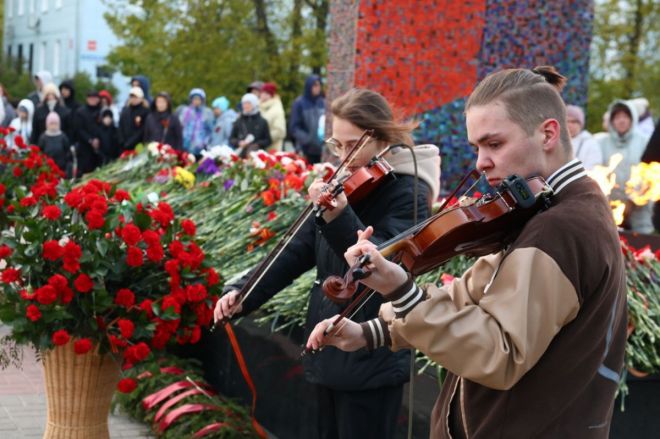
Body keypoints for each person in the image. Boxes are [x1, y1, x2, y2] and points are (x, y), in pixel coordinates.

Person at [307, 67, 627, 439]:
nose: (480, 162)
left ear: (548, 133)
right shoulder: (548, 208)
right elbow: (473, 292)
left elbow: (500, 353)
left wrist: (402, 292)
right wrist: (375, 332)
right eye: (477, 147)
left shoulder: (561, 226)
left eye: (494, 144)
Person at [215, 88, 441, 439]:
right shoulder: (344, 185)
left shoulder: (407, 191)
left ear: (380, 138)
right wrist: (244, 293)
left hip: (371, 349)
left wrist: (338, 215)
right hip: (326, 342)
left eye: (352, 145)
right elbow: (296, 249)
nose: (343, 157)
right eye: (336, 145)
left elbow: (377, 264)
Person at [598, 99, 652, 233]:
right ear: (611, 121)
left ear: (632, 119)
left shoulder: (644, 141)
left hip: (638, 209)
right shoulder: (600, 142)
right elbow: (596, 172)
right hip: (608, 208)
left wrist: (632, 201)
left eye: (625, 116)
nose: (621, 120)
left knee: (641, 250)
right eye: (617, 117)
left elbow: (649, 174)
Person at [290, 74, 325, 163]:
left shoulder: (323, 102)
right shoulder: (299, 103)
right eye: (315, 85)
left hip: (320, 149)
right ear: (309, 86)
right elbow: (294, 128)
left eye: (319, 85)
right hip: (305, 149)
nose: (318, 88)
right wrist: (308, 139)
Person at [228, 93, 271, 157]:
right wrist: (239, 142)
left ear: (254, 104)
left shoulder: (262, 121)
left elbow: (268, 140)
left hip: (257, 158)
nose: (246, 106)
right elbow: (231, 138)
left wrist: (256, 145)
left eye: (248, 103)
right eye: (244, 103)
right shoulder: (239, 121)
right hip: (240, 156)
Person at [72, 91, 102, 176]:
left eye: (94, 98)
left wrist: (98, 139)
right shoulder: (80, 112)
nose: (92, 100)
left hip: (99, 148)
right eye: (90, 98)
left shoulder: (101, 111)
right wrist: (90, 140)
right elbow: (79, 129)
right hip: (84, 148)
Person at [179, 88, 214, 156]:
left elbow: (210, 131)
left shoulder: (207, 112)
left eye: (198, 99)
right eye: (194, 99)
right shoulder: (186, 111)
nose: (196, 101)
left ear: (202, 100)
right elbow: (181, 126)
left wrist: (204, 143)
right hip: (185, 146)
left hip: (200, 148)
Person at [565, 105, 602, 170]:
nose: (569, 125)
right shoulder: (556, 142)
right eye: (567, 121)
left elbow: (594, 167)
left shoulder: (590, 143)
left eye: (573, 122)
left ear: (580, 124)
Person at [118, 86, 150, 152]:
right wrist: (122, 141)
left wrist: (130, 142)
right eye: (132, 97)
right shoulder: (125, 111)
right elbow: (120, 127)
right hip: (125, 145)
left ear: (141, 98)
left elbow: (143, 130)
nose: (133, 99)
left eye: (136, 97)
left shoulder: (145, 111)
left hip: (139, 145)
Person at [259, 82, 287, 151]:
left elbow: (280, 131)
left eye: (266, 93)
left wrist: (265, 139)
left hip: (272, 148)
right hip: (259, 147)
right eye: (262, 92)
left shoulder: (277, 109)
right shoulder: (258, 106)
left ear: (271, 95)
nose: (263, 95)